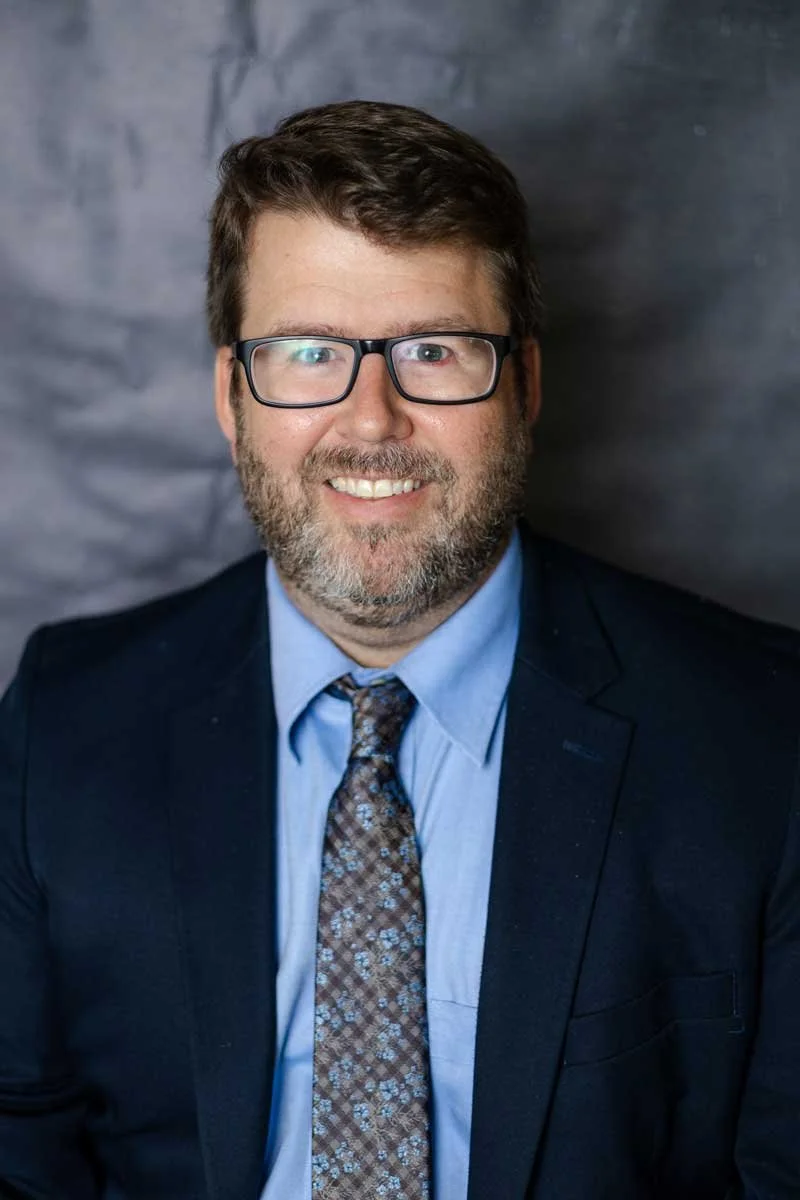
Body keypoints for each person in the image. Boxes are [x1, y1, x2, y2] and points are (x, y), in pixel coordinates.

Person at [0, 99, 798, 1200]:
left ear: (520, 384)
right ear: (231, 395)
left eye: (433, 349)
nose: (369, 419)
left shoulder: (764, 736)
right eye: (306, 351)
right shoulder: (64, 722)